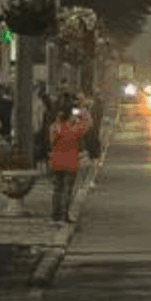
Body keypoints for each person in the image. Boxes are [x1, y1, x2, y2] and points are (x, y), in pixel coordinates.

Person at [46, 94, 93, 224]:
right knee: (67, 190)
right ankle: (64, 216)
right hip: (70, 162)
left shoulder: (55, 127)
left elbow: (50, 142)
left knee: (57, 189)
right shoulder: (74, 128)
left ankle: (54, 216)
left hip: (56, 161)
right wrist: (82, 110)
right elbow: (89, 123)